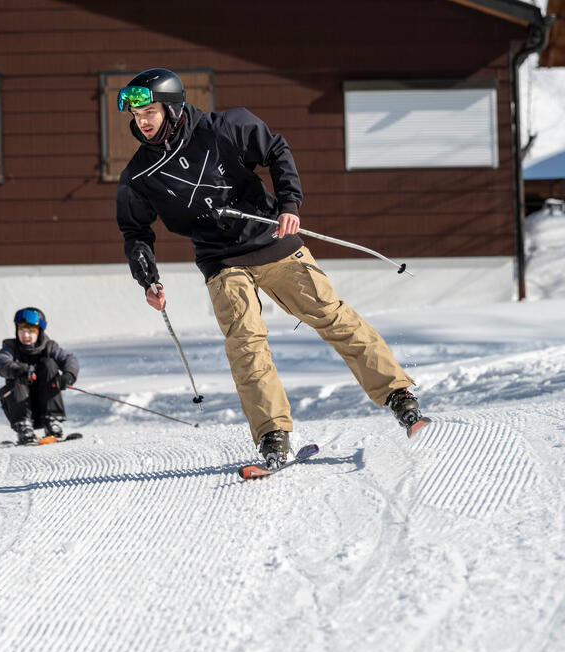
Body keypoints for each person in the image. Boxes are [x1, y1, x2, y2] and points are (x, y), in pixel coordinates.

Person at [115, 68, 428, 467]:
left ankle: (400, 397)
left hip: (272, 240)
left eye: (150, 112)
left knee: (332, 316)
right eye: (136, 114)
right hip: (220, 260)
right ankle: (272, 435)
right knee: (246, 345)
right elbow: (135, 230)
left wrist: (289, 205)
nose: (142, 121)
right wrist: (147, 278)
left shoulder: (224, 128)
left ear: (172, 108)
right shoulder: (139, 174)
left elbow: (276, 149)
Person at [0, 307, 79, 445]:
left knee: (49, 364)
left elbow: (69, 359)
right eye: (22, 330)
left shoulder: (49, 347)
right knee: (18, 371)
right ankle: (24, 428)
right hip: (20, 405)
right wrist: (17, 370)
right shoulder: (11, 348)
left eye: (31, 331)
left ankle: (52, 423)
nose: (26, 335)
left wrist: (69, 375)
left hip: (46, 403)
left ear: (40, 332)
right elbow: (0, 360)